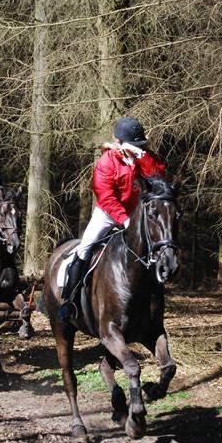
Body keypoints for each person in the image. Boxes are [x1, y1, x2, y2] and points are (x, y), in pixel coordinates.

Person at [59, 117, 166, 320]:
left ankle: (153, 305)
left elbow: (159, 178)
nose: (136, 149)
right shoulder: (106, 162)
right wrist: (125, 220)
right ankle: (69, 301)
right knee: (84, 248)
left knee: (157, 247)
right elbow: (106, 197)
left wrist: (143, 156)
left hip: (137, 214)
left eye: (140, 145)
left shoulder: (145, 157)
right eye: (133, 146)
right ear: (118, 142)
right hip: (108, 214)